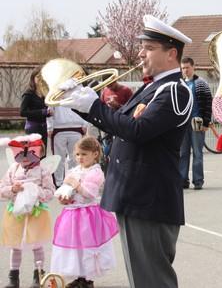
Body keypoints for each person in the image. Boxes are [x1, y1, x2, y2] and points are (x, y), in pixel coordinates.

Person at [58, 15, 193, 288]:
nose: (141, 53)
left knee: (151, 281)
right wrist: (78, 103)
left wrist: (94, 106)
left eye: (150, 48)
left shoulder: (175, 91)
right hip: (137, 196)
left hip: (148, 200)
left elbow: (137, 130)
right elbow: (122, 124)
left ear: (172, 54)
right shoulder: (152, 87)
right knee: (143, 279)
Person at [51, 136, 119, 288]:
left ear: (95, 154)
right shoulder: (74, 170)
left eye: (84, 154)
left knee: (87, 245)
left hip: (88, 214)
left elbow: (90, 193)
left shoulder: (96, 172)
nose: (80, 158)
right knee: (76, 246)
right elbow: (66, 189)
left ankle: (88, 279)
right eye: (77, 154)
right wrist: (64, 198)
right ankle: (79, 275)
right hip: (72, 213)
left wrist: (76, 184)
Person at [0, 134, 55, 288]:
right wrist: (12, 189)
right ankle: (13, 278)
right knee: (15, 245)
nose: (24, 158)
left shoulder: (43, 170)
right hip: (15, 214)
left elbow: (50, 192)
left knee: (36, 245)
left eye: (30, 153)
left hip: (35, 213)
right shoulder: (13, 169)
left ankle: (39, 276)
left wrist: (37, 191)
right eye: (19, 154)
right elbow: (1, 190)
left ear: (39, 152)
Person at [180, 57, 213, 190]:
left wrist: (206, 122)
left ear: (193, 67)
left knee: (198, 153)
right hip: (182, 124)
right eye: (183, 68)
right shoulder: (179, 84)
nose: (185, 70)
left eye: (187, 67)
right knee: (183, 153)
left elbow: (208, 104)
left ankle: (198, 181)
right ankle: (182, 180)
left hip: (197, 122)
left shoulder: (201, 84)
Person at [47, 106, 87, 187]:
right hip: (58, 128)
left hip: (76, 127)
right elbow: (50, 108)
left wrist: (85, 124)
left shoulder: (79, 92)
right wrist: (50, 127)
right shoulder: (55, 93)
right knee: (58, 158)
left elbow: (83, 106)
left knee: (75, 158)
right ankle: (59, 183)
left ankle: (73, 181)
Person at [98, 80, 133, 171]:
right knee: (107, 147)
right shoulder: (105, 91)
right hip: (107, 124)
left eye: (111, 85)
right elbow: (101, 107)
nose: (109, 87)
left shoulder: (126, 90)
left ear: (115, 81)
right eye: (107, 86)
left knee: (119, 147)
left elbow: (132, 109)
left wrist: (117, 105)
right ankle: (107, 165)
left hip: (120, 124)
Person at [19, 67, 50, 151]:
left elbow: (47, 111)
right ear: (33, 79)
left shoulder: (46, 94)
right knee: (33, 154)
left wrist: (49, 113)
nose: (40, 79)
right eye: (38, 77)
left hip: (44, 128)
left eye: (42, 77)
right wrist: (42, 112)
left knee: (42, 155)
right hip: (32, 128)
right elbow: (22, 112)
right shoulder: (28, 94)